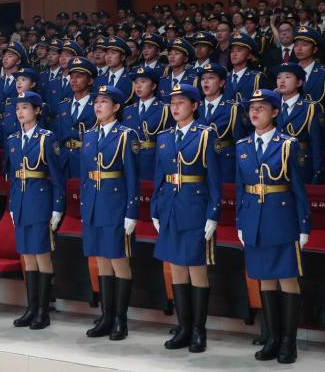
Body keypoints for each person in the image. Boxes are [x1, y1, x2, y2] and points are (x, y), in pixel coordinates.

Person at [236, 89, 311, 365]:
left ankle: (289, 342)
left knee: (287, 277)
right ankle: (272, 338)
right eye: (252, 108)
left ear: (275, 112)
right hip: (253, 218)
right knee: (264, 277)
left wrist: (304, 226)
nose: (255, 112)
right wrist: (240, 222)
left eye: (262, 108)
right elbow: (241, 187)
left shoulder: (288, 144)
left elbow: (299, 189)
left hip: (282, 218)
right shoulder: (242, 145)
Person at [151, 84, 220, 354]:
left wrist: (213, 214)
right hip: (169, 206)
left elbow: (214, 179)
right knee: (176, 267)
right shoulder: (164, 136)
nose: (175, 107)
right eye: (172, 103)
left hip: (195, 207)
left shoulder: (205, 134)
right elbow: (159, 175)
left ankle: (199, 330)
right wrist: (155, 207)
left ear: (194, 105)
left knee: (195, 267)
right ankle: (183, 326)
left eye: (181, 102)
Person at [81, 85, 139, 339]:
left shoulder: (126, 135)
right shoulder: (89, 135)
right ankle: (106, 316)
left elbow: (132, 178)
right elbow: (85, 175)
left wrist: (131, 212)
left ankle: (120, 320)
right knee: (101, 261)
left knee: (118, 260)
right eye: (96, 101)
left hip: (115, 205)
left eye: (104, 102)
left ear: (116, 107)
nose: (98, 106)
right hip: (94, 204)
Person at [6, 90, 66, 330]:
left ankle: (43, 310)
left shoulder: (46, 138)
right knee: (27, 256)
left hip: (40, 202)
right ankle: (31, 307)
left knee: (41, 255)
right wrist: (12, 205)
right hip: (21, 202)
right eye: (17, 108)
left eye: (25, 108)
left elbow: (57, 177)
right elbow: (12, 176)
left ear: (37, 110)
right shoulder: (13, 139)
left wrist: (57, 208)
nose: (20, 112)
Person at [271, 63, 325, 184]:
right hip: (274, 165)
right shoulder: (271, 106)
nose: (282, 81)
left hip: (300, 163)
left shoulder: (310, 108)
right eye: (279, 77)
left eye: (287, 77)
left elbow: (316, 144)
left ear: (299, 82)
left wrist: (317, 174)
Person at [196, 63, 246, 183]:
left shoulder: (233, 108)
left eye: (211, 78)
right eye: (203, 78)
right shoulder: (196, 107)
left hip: (224, 162)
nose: (205, 81)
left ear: (222, 83)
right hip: (198, 162)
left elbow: (241, 143)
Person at [121, 66, 169, 181]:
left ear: (153, 86)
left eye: (143, 81)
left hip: (153, 161)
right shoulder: (127, 110)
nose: (138, 86)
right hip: (130, 160)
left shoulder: (164, 109)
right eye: (136, 82)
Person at [56, 57, 98, 178]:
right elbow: (58, 135)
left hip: (86, 158)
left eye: (79, 77)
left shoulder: (97, 104)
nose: (74, 80)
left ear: (90, 81)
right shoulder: (63, 106)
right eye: (72, 77)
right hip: (64, 160)